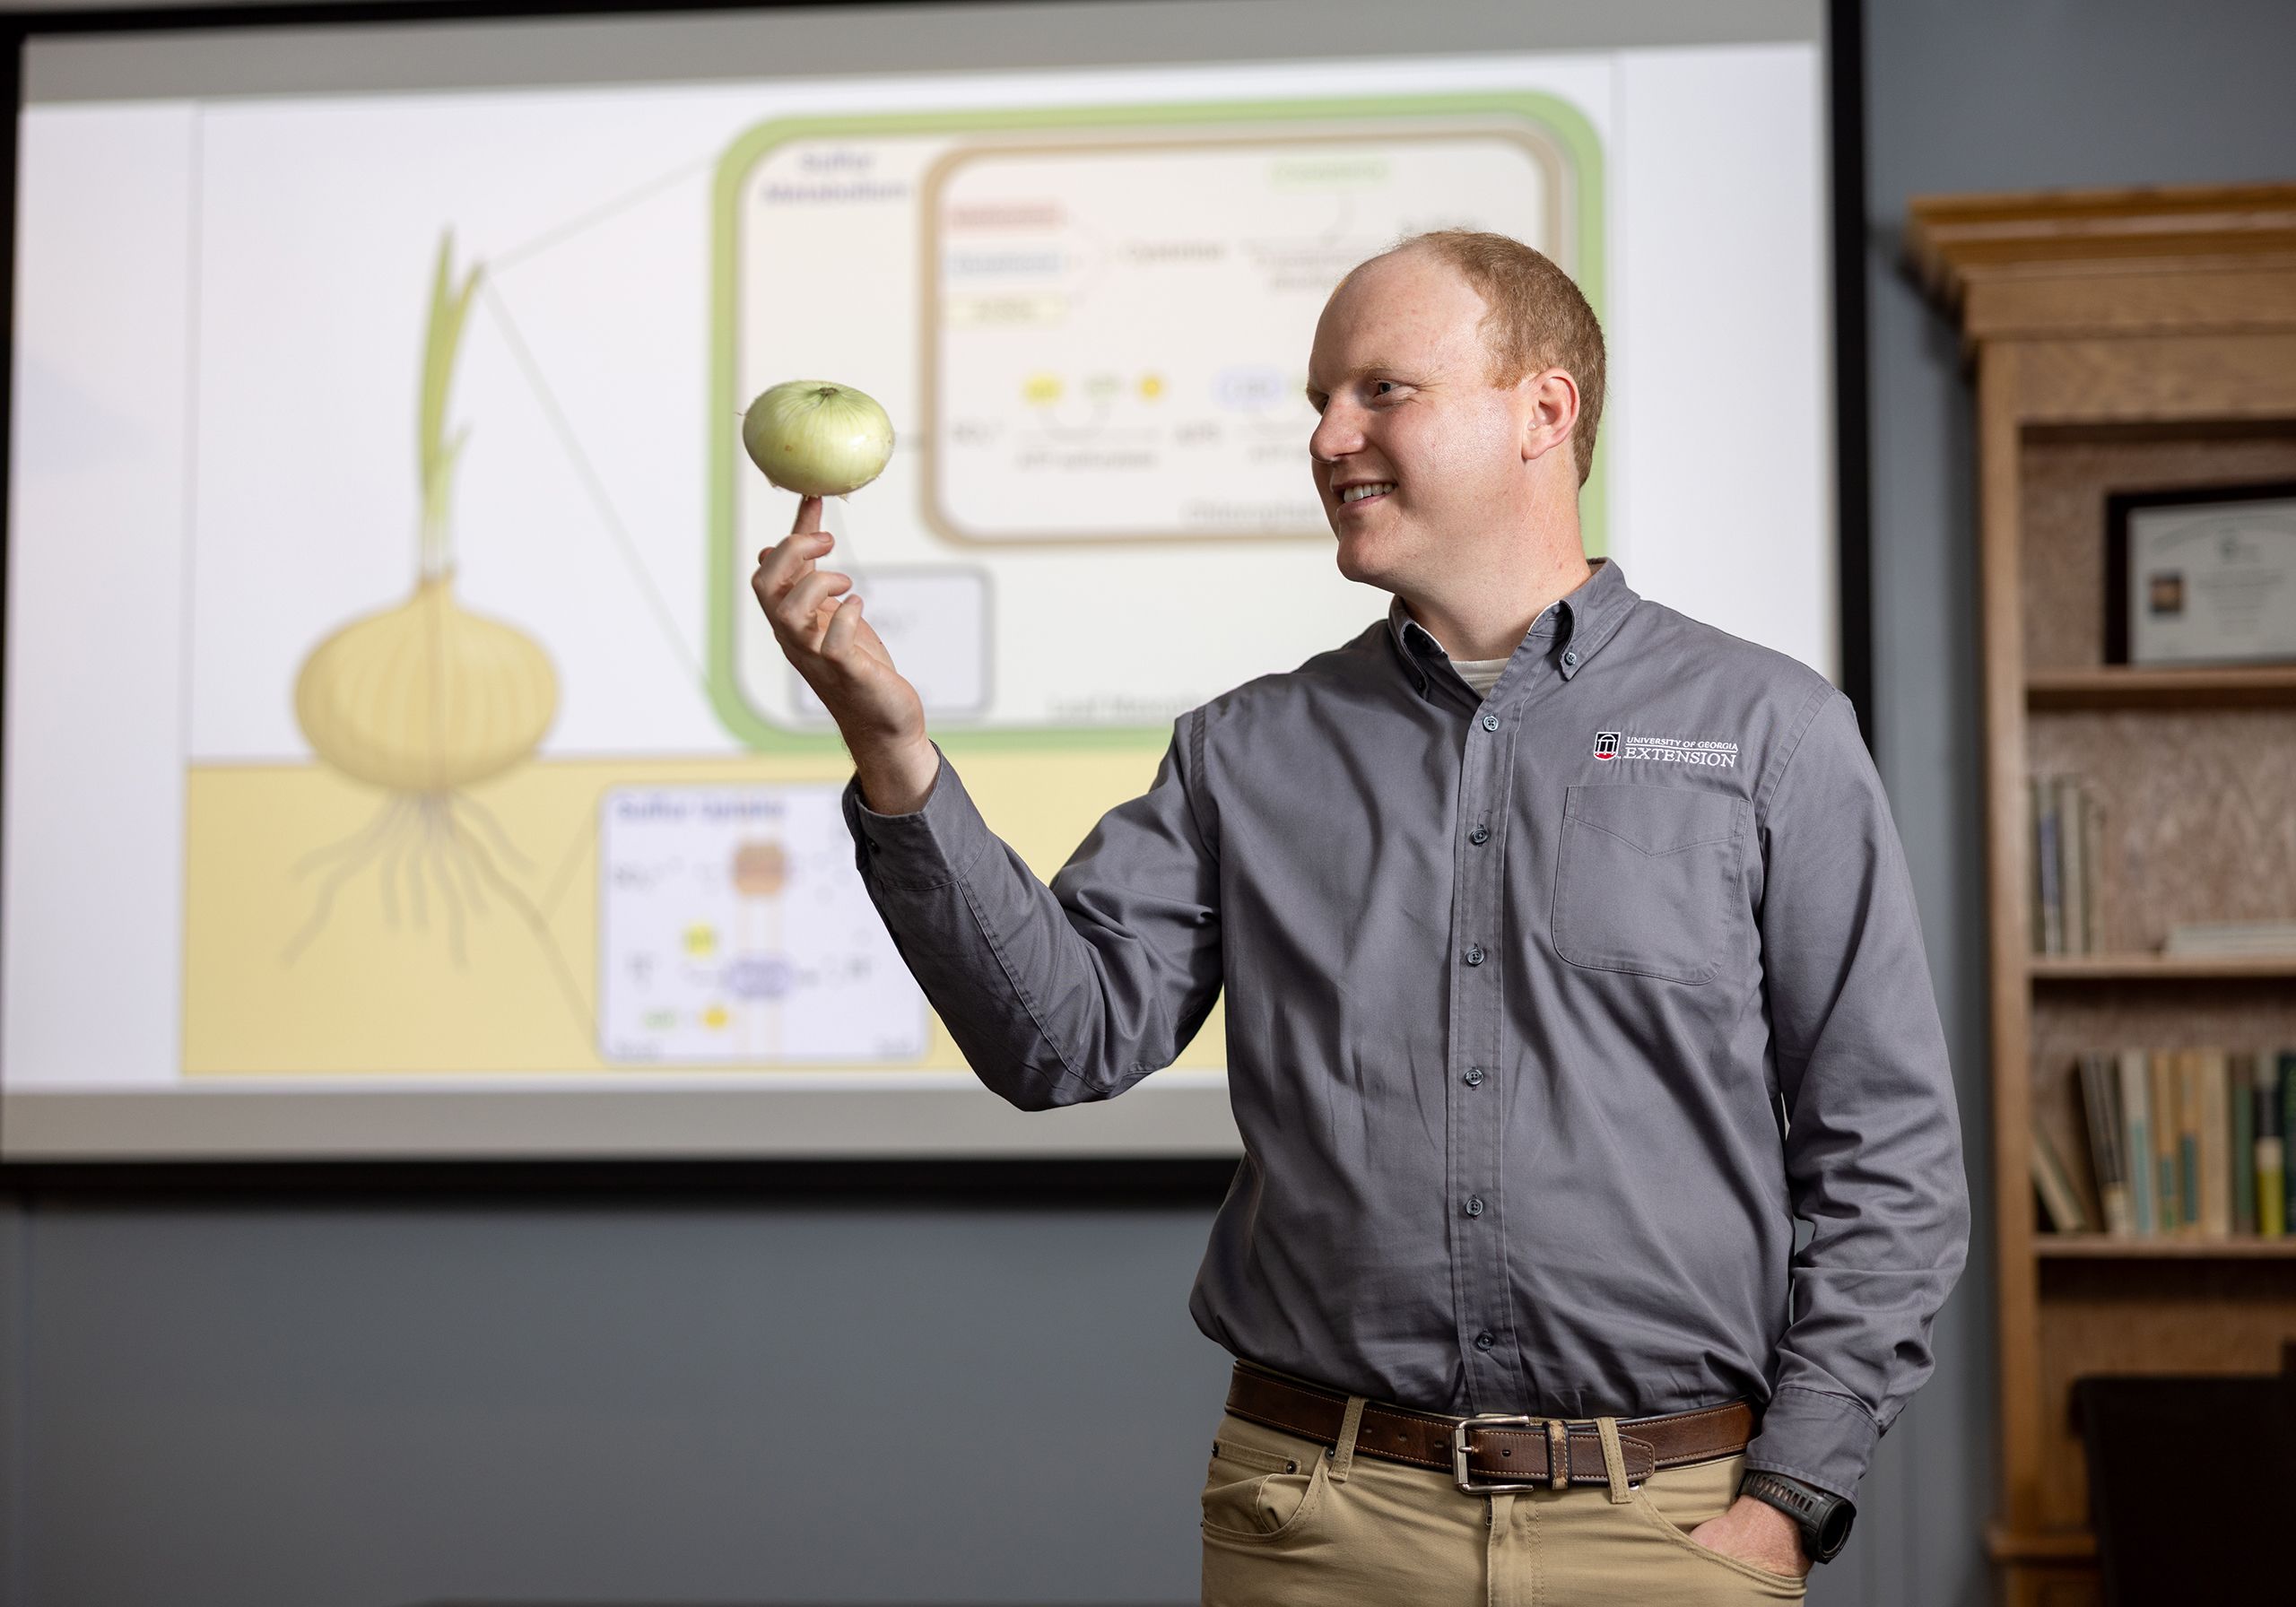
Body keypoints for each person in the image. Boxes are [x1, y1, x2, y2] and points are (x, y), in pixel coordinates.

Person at [751, 230, 1970, 1604]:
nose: (1329, 437)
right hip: (1318, 1529)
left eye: (1382, 390)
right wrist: (891, 746)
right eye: (1318, 401)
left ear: (1543, 410)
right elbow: (1064, 1042)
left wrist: (1791, 1499)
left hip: (1667, 1534)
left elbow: (1892, 1159)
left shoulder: (1771, 730)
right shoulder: (1245, 750)